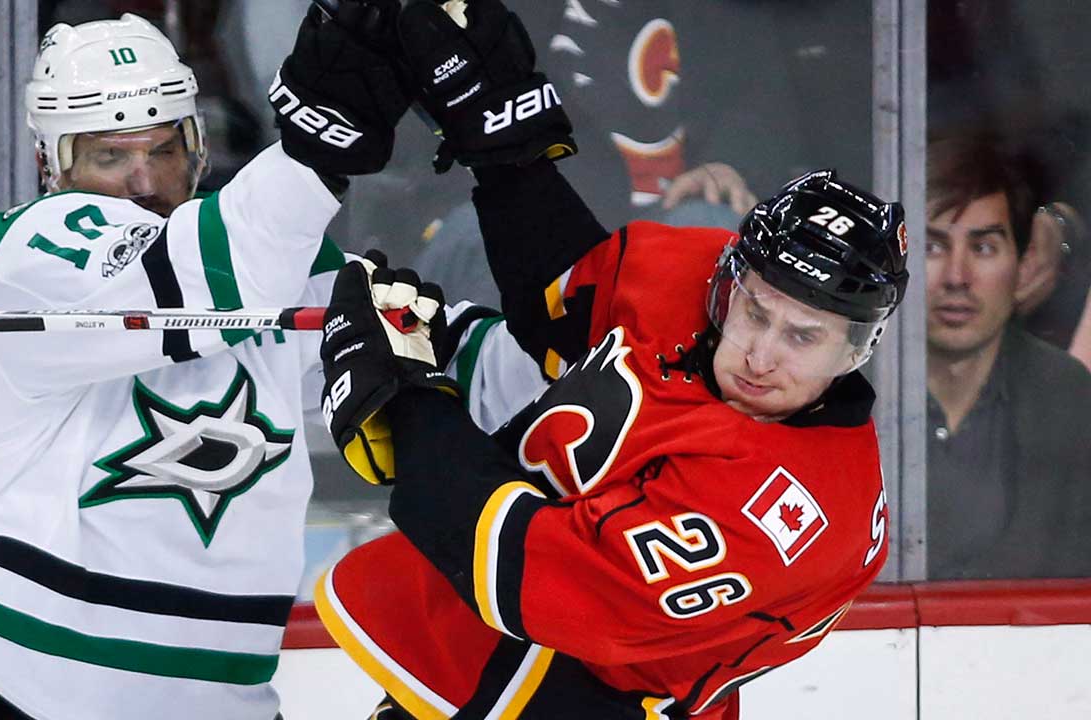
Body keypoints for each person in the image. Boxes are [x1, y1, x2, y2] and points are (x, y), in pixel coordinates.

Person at [310, 1, 911, 717]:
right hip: (477, 644)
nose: (759, 353)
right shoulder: (697, 282)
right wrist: (507, 151)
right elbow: (563, 300)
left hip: (594, 694)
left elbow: (526, 570)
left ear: (858, 350)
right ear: (731, 280)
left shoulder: (799, 515)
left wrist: (408, 401)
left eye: (802, 337)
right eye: (755, 311)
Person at [0, 6, 413, 719]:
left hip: (220, 696)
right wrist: (316, 146)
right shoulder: (35, 252)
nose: (143, 181)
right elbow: (197, 280)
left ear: (197, 145)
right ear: (54, 162)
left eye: (162, 150)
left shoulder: (277, 259)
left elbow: (449, 363)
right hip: (27, 680)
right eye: (110, 156)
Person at [923, 136, 1091, 580]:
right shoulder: (845, 396)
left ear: (1023, 263)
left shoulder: (1072, 400)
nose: (957, 277)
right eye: (933, 247)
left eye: (983, 248)